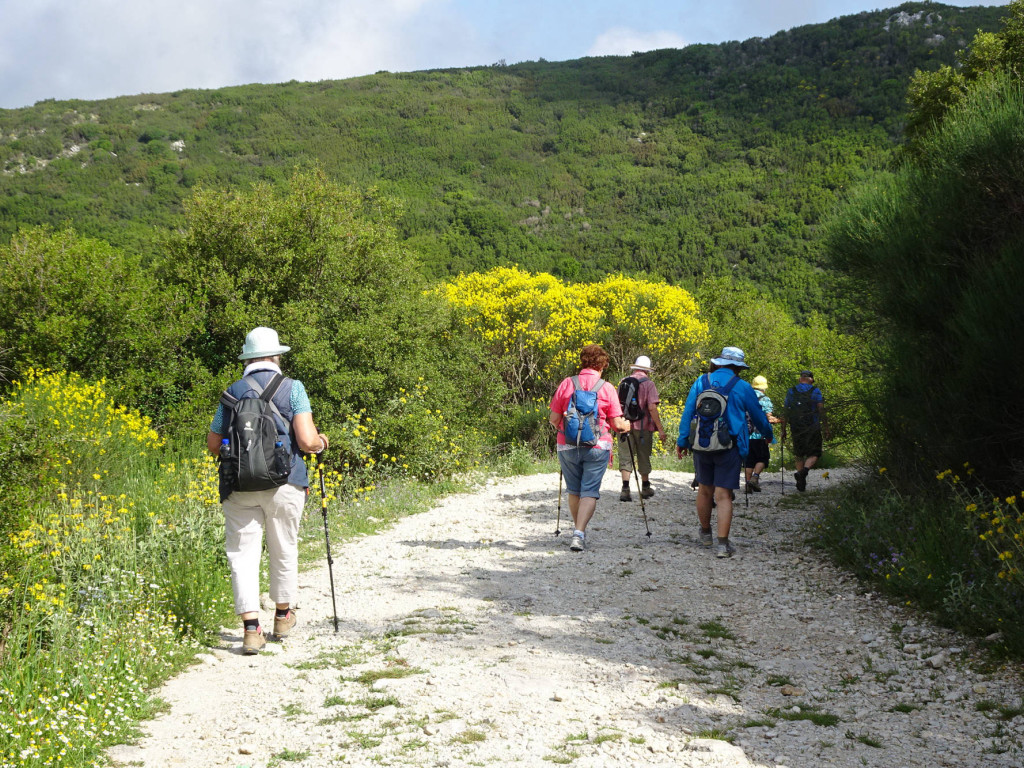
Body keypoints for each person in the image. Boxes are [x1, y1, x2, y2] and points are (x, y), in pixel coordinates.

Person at [207, 327, 330, 655]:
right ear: (277, 356)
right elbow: (306, 441)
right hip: (285, 482)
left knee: (242, 555)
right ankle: (282, 616)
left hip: (238, 486)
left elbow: (212, 444)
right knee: (284, 548)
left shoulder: (231, 393)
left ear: (247, 358)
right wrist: (321, 443)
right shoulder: (293, 389)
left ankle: (250, 629)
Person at [676, 346, 773, 558]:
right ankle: (722, 545)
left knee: (704, 490)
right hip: (730, 446)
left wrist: (682, 440)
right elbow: (757, 416)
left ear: (719, 362)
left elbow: (688, 411)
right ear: (738, 367)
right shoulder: (742, 386)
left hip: (701, 444)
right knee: (723, 495)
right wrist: (768, 434)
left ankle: (705, 533)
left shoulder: (701, 382)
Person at [548, 344, 631, 552]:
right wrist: (627, 425)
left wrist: (567, 427)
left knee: (574, 490)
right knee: (589, 491)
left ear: (582, 362)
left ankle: (578, 532)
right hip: (598, 445)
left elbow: (553, 418)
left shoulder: (567, 383)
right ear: (602, 365)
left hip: (567, 445)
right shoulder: (606, 387)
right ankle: (579, 533)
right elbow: (617, 425)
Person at [617, 355, 668, 502]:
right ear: (647, 370)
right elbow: (652, 407)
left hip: (624, 426)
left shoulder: (623, 382)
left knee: (625, 456)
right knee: (643, 456)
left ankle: (625, 489)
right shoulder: (649, 384)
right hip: (643, 427)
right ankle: (645, 487)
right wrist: (661, 429)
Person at [783, 370, 827, 492]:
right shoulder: (815, 391)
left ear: (800, 379)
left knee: (799, 453)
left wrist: (783, 430)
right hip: (812, 426)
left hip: (796, 427)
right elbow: (821, 409)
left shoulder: (791, 391)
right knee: (815, 453)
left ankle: (800, 478)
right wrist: (826, 427)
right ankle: (804, 472)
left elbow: (786, 411)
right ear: (811, 379)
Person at [744, 375, 780, 493]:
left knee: (749, 460)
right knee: (762, 458)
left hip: (746, 434)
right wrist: (779, 420)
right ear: (764, 387)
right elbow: (768, 417)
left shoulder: (745, 397)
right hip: (761, 435)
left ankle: (748, 484)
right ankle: (755, 477)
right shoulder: (765, 399)